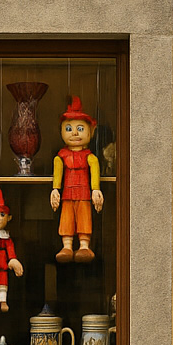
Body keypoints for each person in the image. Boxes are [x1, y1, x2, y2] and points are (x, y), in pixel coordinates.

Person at [50, 96, 104, 263]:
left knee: (84, 218)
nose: (74, 133)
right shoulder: (60, 157)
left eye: (80, 128)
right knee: (66, 218)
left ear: (91, 131)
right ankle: (66, 245)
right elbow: (58, 174)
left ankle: (84, 246)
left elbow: (94, 172)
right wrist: (55, 190)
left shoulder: (90, 157)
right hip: (67, 194)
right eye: (69, 128)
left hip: (84, 194)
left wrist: (96, 189)